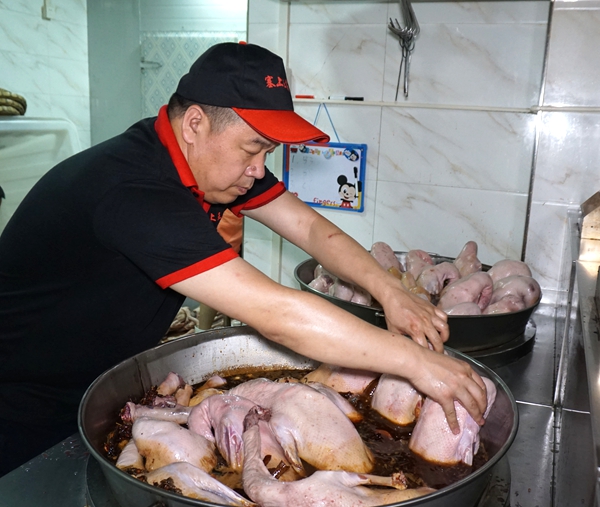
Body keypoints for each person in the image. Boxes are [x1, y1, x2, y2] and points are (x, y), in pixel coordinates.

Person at [0, 42, 487, 477]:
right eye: (253, 148)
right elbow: (276, 314)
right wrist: (415, 362)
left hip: (99, 383)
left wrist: (391, 291)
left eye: (267, 150)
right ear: (195, 124)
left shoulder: (205, 162)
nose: (259, 170)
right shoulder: (133, 192)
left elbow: (313, 228)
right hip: (25, 399)